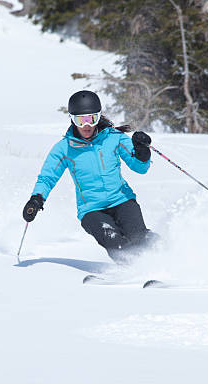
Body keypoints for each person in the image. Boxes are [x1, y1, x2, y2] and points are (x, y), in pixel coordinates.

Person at [22, 90, 156, 263]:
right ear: (72, 119)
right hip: (91, 210)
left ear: (99, 117)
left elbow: (140, 167)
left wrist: (143, 152)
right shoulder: (64, 148)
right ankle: (134, 269)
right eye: (80, 120)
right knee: (114, 241)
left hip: (122, 200)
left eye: (91, 118)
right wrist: (36, 199)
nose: (86, 125)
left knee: (139, 238)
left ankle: (162, 257)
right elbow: (47, 177)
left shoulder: (114, 138)